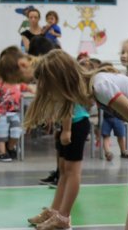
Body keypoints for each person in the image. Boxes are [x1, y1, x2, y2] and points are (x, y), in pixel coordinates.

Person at [25, 50, 128, 230]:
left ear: (61, 80)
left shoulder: (100, 86)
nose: (51, 94)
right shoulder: (94, 87)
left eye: (51, 88)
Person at [24, 52, 92, 230]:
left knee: (72, 171)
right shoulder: (55, 86)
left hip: (77, 125)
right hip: (67, 126)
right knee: (63, 170)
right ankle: (55, 211)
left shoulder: (65, 85)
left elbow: (68, 105)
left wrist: (67, 129)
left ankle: (64, 217)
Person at [0, 50, 32, 162]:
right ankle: (2, 153)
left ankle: (9, 148)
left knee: (16, 132)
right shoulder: (0, 84)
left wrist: (31, 89)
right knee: (1, 134)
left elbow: (26, 87)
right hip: (2, 114)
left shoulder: (18, 83)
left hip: (15, 113)